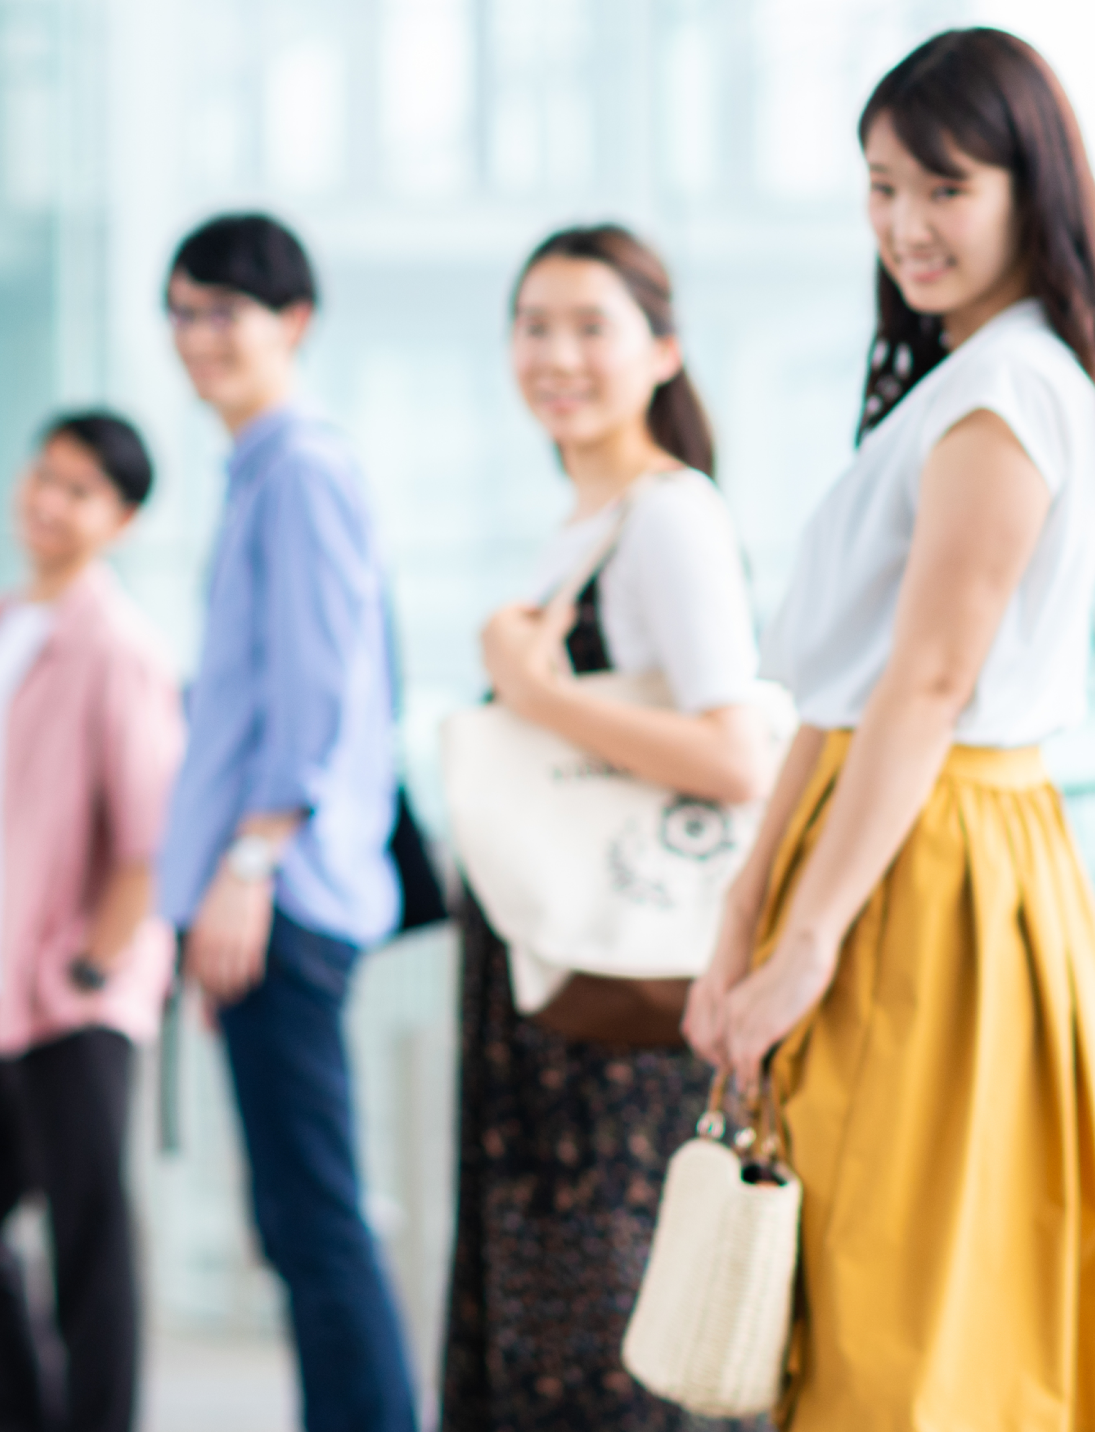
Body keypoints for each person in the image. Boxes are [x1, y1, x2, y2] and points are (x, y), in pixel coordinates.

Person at [689, 27, 1095, 1428]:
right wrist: (747, 904)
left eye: (943, 188)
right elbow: (842, 691)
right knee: (875, 1280)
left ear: (1024, 189)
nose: (905, 226)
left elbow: (924, 690)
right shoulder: (964, 381)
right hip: (888, 839)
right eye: (881, 188)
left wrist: (799, 935)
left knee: (907, 1297)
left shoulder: (1008, 395)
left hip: (931, 860)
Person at [442, 226, 771, 1432]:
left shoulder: (669, 515)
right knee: (559, 1321)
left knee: (606, 1332)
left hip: (622, 1013)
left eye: (593, 326)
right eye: (536, 325)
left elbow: (738, 756)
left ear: (664, 351)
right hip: (561, 998)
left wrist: (536, 696)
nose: (557, 354)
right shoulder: (588, 521)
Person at [161, 211, 414, 1432]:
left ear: (293, 323)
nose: (199, 338)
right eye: (184, 312)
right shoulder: (265, 468)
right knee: (299, 1217)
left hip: (286, 890)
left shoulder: (300, 468)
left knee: (315, 1219)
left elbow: (315, 698)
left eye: (226, 312)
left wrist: (250, 865)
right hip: (269, 892)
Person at [0, 410, 182, 1432]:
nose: (49, 502)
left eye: (80, 491)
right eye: (45, 477)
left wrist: (91, 966)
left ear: (119, 519)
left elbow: (151, 836)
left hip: (69, 993)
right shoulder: (2, 624)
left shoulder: (114, 645)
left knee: (90, 1240)